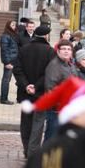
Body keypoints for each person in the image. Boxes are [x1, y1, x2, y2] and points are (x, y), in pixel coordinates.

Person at [13, 25, 54, 157]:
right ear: (47, 36)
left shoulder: (24, 49)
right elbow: (48, 73)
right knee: (38, 123)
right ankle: (33, 152)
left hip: (25, 93)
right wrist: (35, 86)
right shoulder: (50, 51)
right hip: (40, 93)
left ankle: (27, 150)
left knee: (25, 123)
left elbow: (17, 69)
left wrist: (26, 86)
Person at [44, 39, 77, 142]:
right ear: (58, 51)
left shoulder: (70, 65)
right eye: (63, 49)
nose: (66, 51)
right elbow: (50, 88)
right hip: (56, 109)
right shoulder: (55, 65)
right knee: (51, 137)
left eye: (69, 49)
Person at [0, 19, 20, 104]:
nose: (14, 27)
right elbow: (4, 50)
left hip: (15, 61)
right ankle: (3, 99)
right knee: (6, 80)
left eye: (15, 25)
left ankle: (20, 98)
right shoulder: (5, 36)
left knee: (18, 79)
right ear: (8, 26)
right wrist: (7, 62)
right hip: (10, 62)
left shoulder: (13, 35)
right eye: (12, 25)